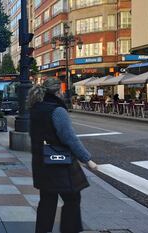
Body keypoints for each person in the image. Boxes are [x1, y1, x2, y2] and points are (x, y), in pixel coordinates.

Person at [28, 78, 98, 233]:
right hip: (59, 164)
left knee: (47, 201)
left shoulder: (35, 108)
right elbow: (69, 138)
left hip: (41, 162)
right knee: (72, 199)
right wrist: (87, 159)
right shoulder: (57, 110)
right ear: (58, 92)